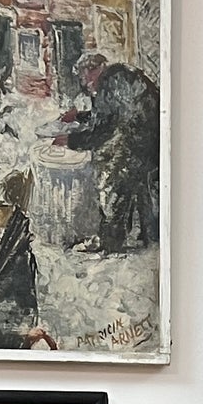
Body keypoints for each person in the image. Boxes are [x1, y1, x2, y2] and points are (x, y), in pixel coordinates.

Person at [55, 51, 159, 253]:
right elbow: (109, 115)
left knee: (111, 183)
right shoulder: (120, 76)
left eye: (85, 78)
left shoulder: (110, 83)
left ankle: (110, 244)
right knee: (139, 188)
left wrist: (72, 140)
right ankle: (149, 237)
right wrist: (80, 116)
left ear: (94, 69)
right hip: (151, 141)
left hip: (138, 144)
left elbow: (104, 129)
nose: (85, 84)